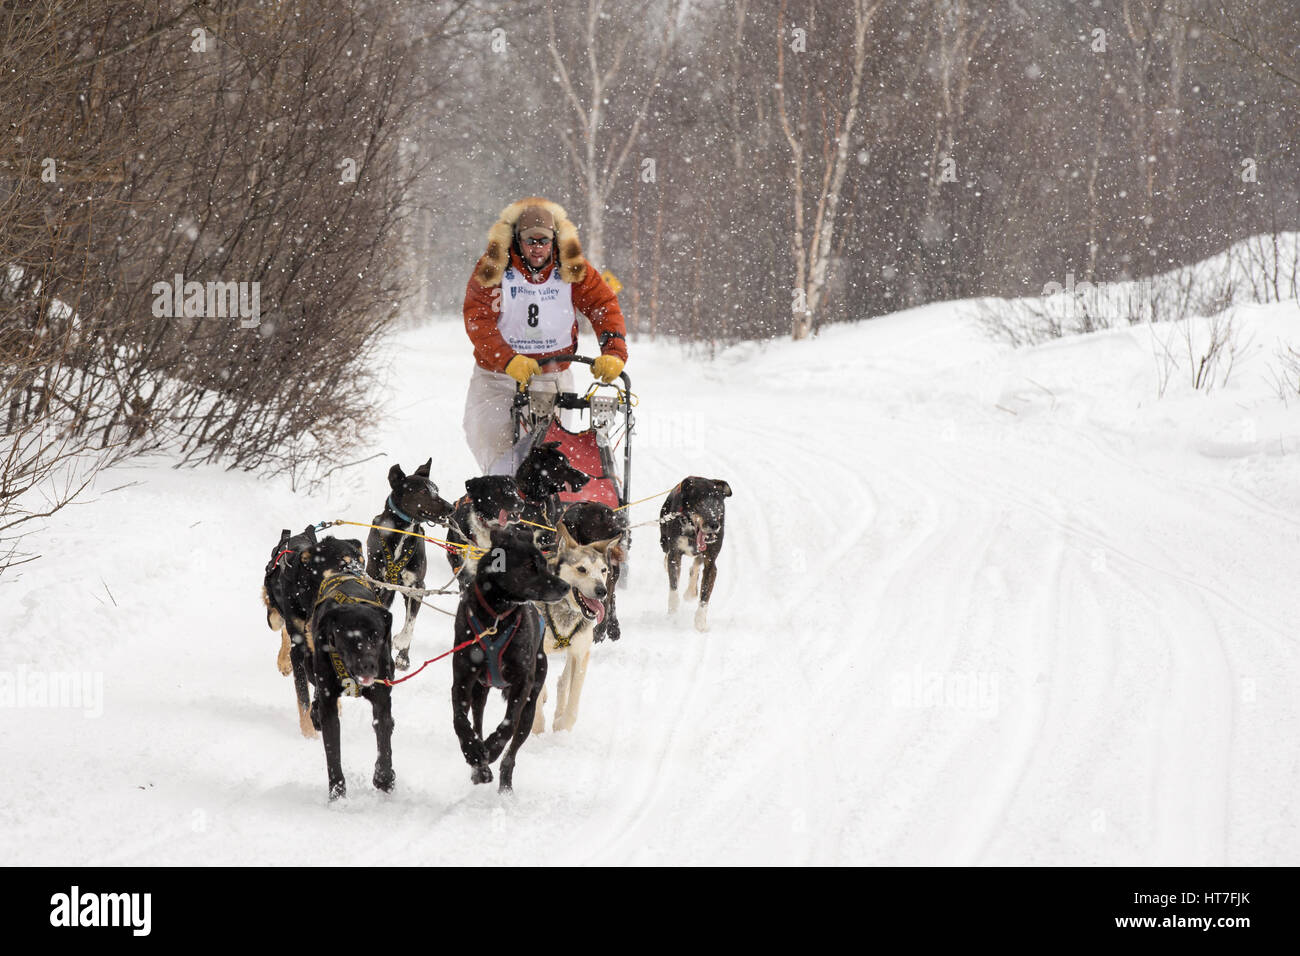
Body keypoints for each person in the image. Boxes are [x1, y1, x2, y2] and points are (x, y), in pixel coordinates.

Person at [462, 197, 628, 473]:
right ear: (517, 240)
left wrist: (614, 352)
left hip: (552, 376)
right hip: (498, 378)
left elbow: (603, 305)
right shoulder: (495, 268)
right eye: (530, 241)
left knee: (546, 458)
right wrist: (507, 359)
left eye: (544, 241)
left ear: (554, 240)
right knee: (495, 449)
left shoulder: (573, 269)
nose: (537, 248)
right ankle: (503, 506)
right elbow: (478, 318)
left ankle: (541, 512)